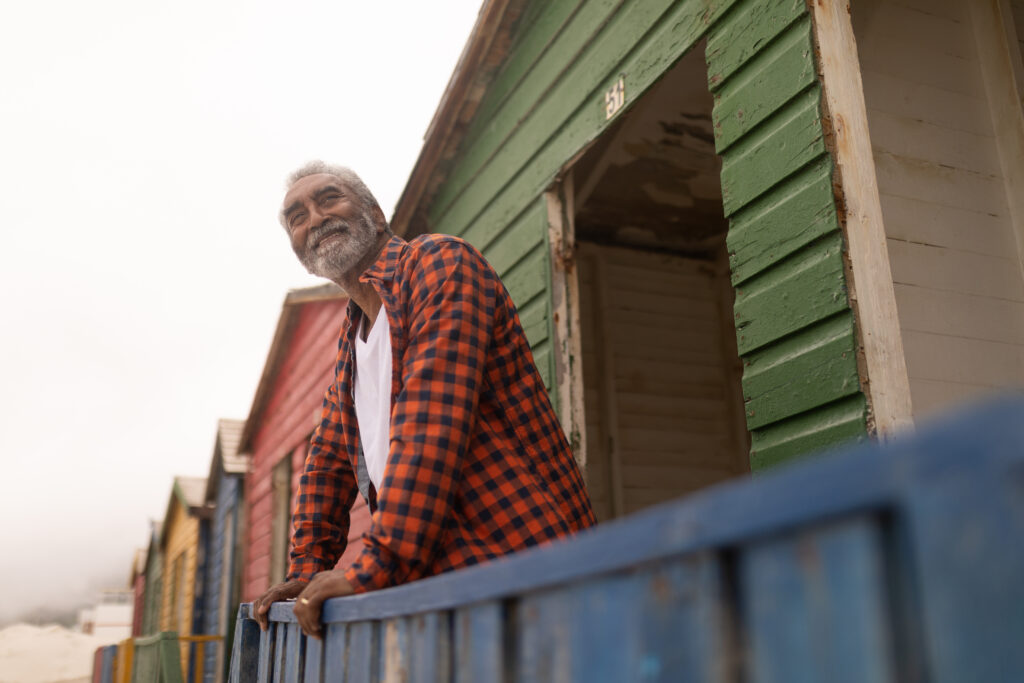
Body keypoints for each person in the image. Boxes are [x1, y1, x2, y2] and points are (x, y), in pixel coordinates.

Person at [254, 161, 595, 637]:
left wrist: (374, 566)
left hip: (524, 566)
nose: (314, 217)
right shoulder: (352, 344)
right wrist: (307, 567)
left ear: (374, 212)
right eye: (296, 215)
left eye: (329, 198)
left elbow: (430, 425)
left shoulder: (438, 264)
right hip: (445, 594)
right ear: (299, 252)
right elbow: (327, 463)